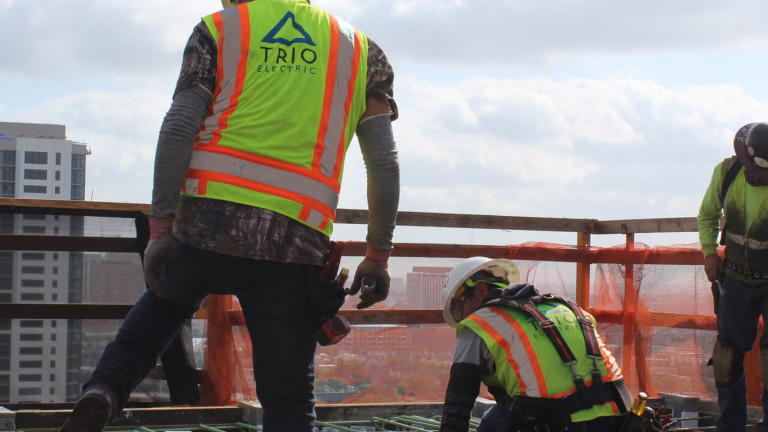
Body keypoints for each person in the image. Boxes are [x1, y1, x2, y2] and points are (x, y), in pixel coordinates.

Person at [59, 0, 399, 430]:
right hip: (293, 244)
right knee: (289, 399)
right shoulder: (363, 51)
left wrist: (161, 227)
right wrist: (378, 254)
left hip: (207, 223)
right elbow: (383, 163)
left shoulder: (220, 30)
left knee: (166, 303)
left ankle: (104, 390)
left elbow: (180, 125)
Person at [439, 257, 633, 432]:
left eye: (459, 307)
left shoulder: (478, 325)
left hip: (553, 423)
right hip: (619, 417)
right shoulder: (566, 307)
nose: (462, 317)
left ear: (480, 290)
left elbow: (458, 402)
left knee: (492, 422)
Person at [698, 122, 768, 432]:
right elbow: (707, 214)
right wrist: (709, 252)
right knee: (727, 360)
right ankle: (731, 427)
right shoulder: (727, 173)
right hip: (736, 279)